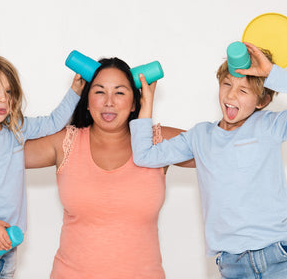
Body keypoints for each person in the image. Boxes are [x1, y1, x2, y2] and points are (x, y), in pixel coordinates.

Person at [130, 42, 287, 278]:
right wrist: (146, 103)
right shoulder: (200, 136)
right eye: (226, 84)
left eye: (243, 91)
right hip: (233, 264)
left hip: (277, 256)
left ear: (261, 101)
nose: (231, 94)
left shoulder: (270, 126)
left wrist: (271, 74)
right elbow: (145, 156)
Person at [24, 57, 194, 279]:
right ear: (86, 100)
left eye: (120, 92)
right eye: (100, 91)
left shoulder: (159, 143)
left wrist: (250, 89)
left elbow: (222, 149)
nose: (109, 102)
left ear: (135, 102)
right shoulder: (65, 143)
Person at [0, 55, 84, 278]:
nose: (3, 98)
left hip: (9, 237)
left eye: (8, 92)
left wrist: (75, 91)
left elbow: (53, 123)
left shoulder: (16, 129)